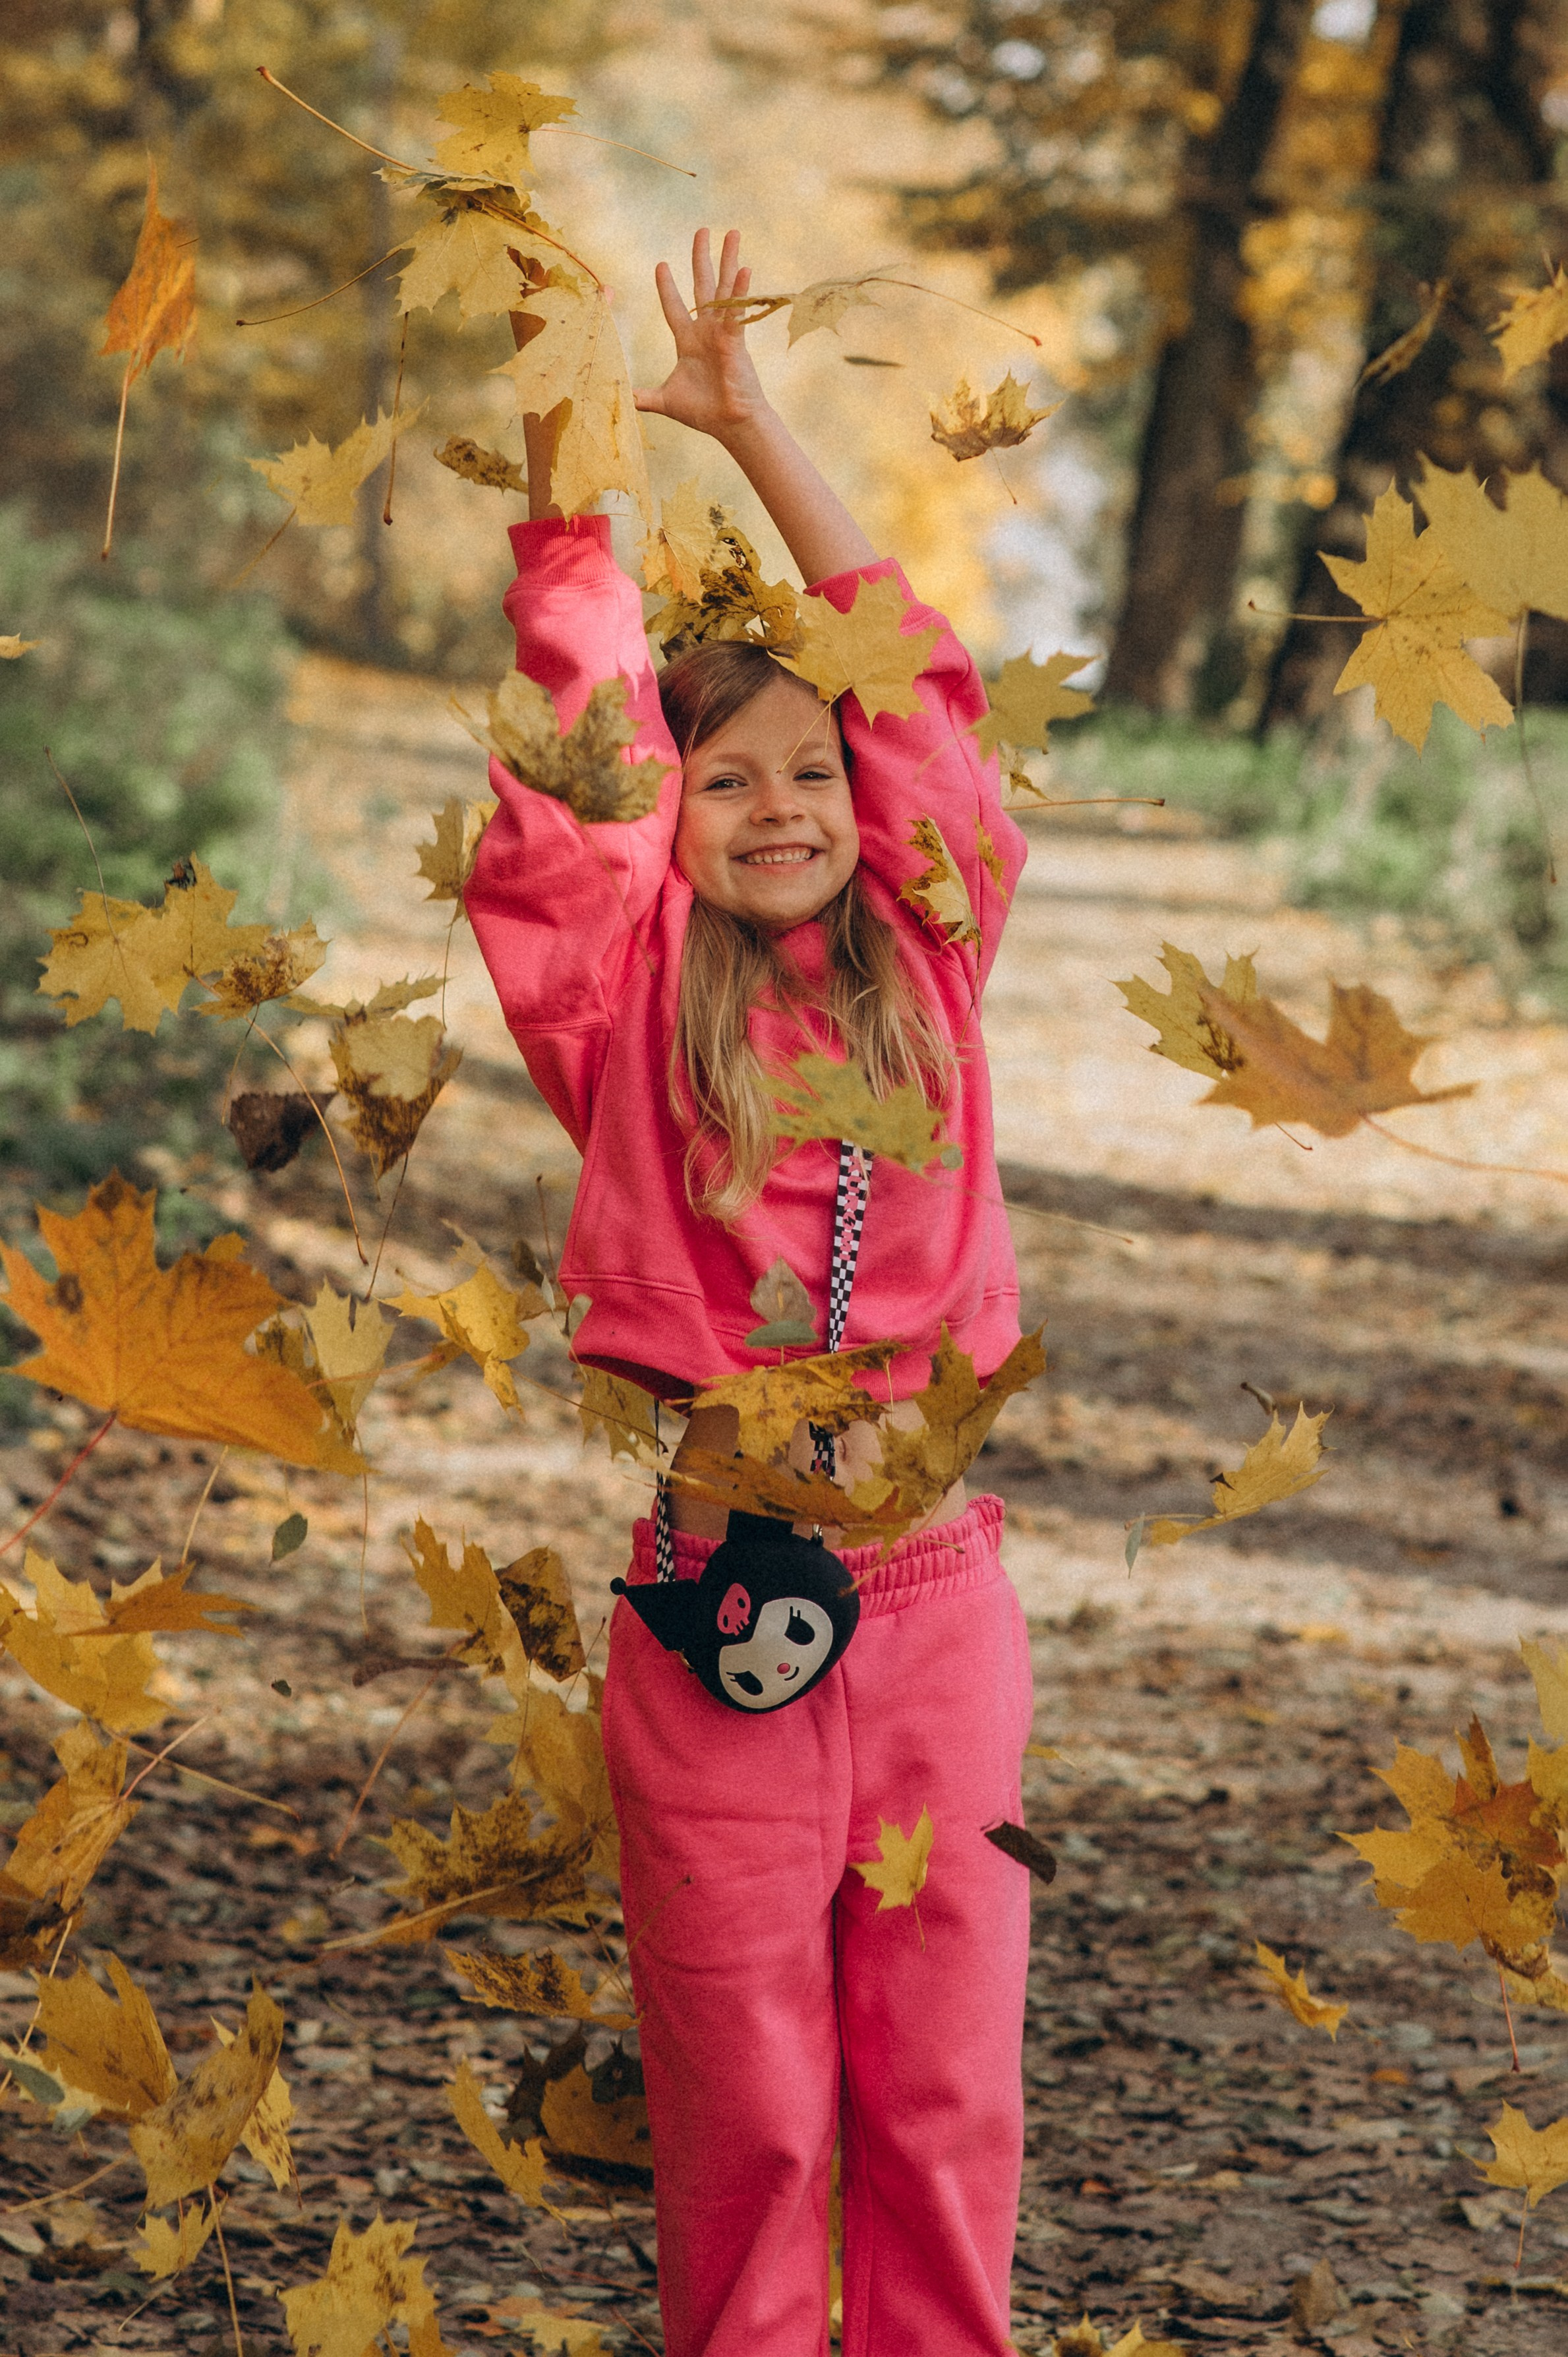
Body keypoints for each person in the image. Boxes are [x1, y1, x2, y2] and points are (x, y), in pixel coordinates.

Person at [465, 227, 1036, 2357]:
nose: (783, 802)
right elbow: (568, 776)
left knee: (942, 2100)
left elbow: (932, 705)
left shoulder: (936, 963)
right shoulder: (622, 1021)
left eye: (816, 770)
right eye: (731, 779)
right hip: (714, 1619)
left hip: (939, 1615)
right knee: (759, 2110)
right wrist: (567, 469)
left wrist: (745, 422)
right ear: (678, 821)